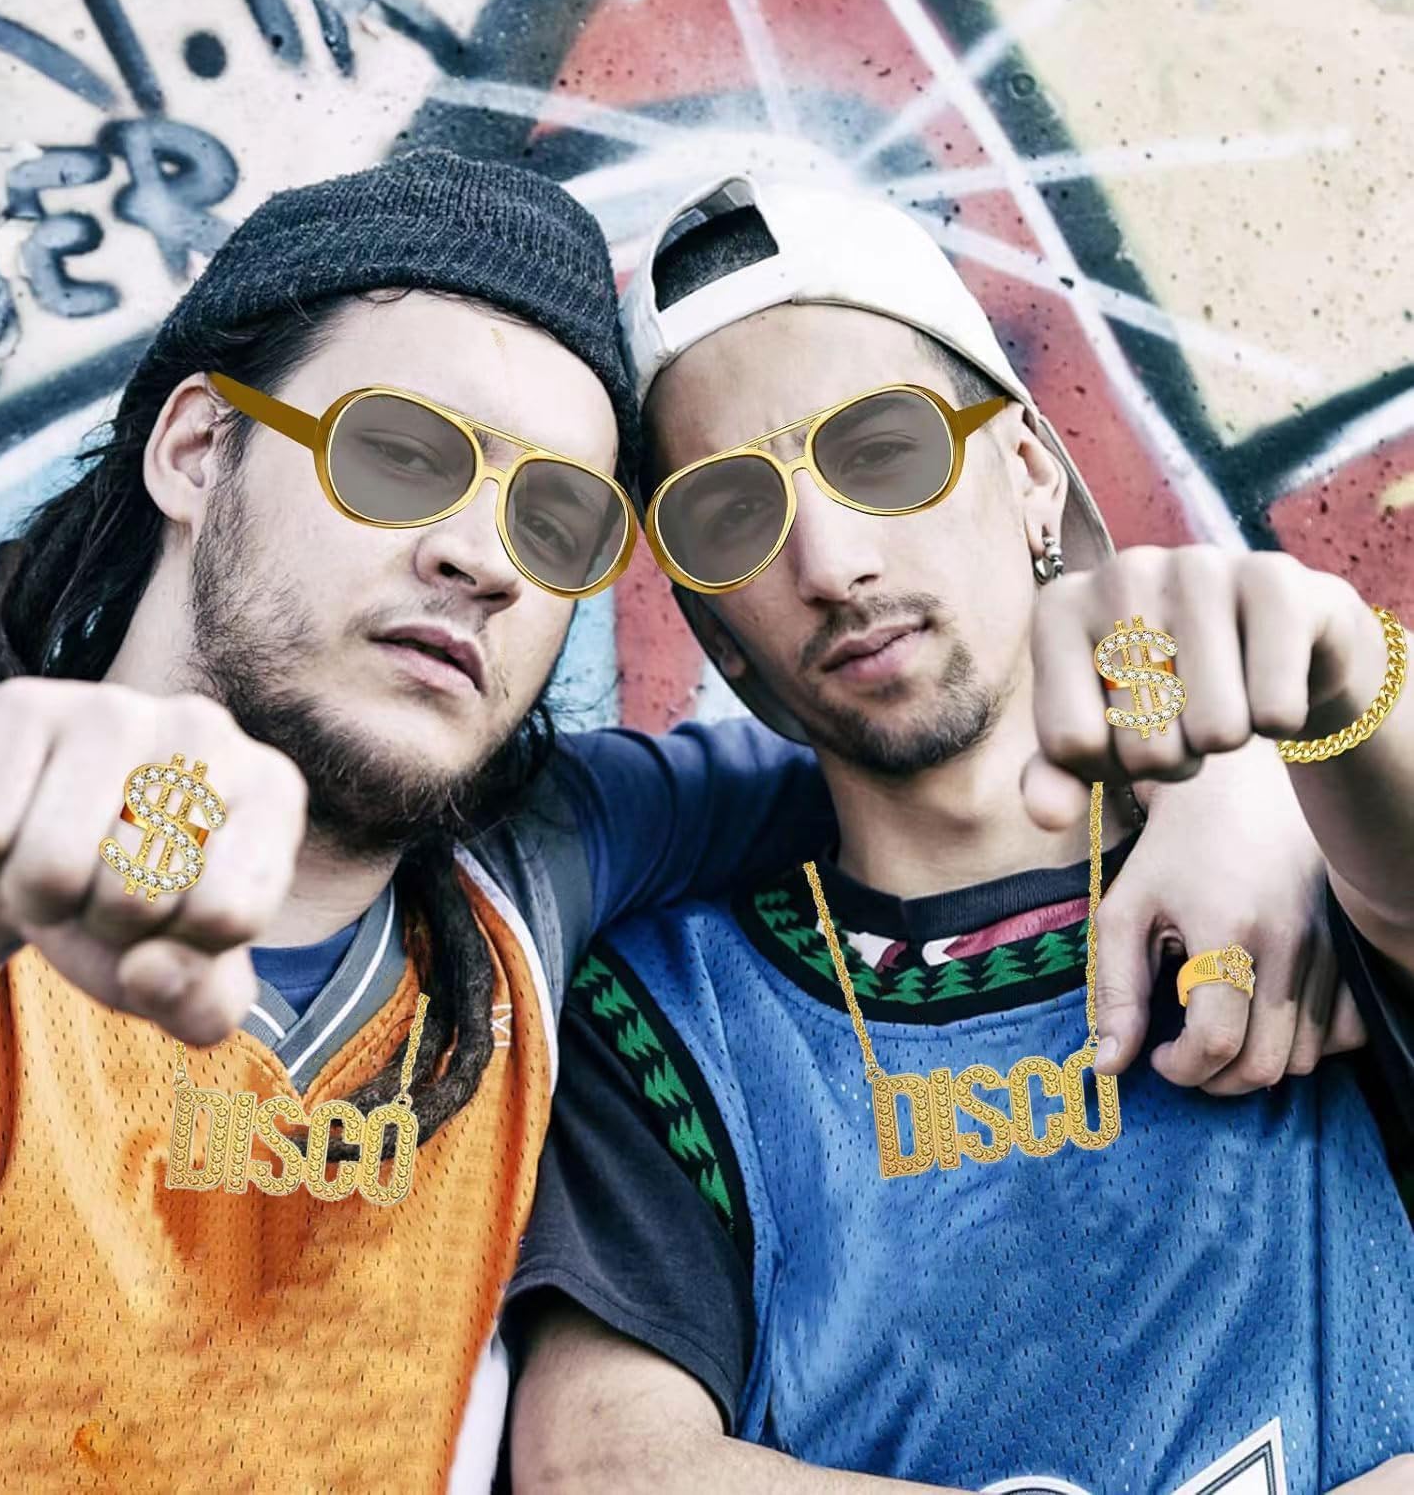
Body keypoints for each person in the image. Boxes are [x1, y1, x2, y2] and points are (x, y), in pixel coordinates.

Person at [0, 147, 847, 1493]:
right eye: (403, 455)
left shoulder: (531, 881)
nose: (485, 557)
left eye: (556, 522)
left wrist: (1170, 739)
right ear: (199, 449)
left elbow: (934, 757)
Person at [502, 175, 1414, 1495]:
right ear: (712, 626)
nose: (830, 561)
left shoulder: (1309, 871)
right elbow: (602, 1469)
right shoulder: (662, 1020)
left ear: (1029, 473)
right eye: (732, 515)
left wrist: (1341, 681)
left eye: (882, 451)